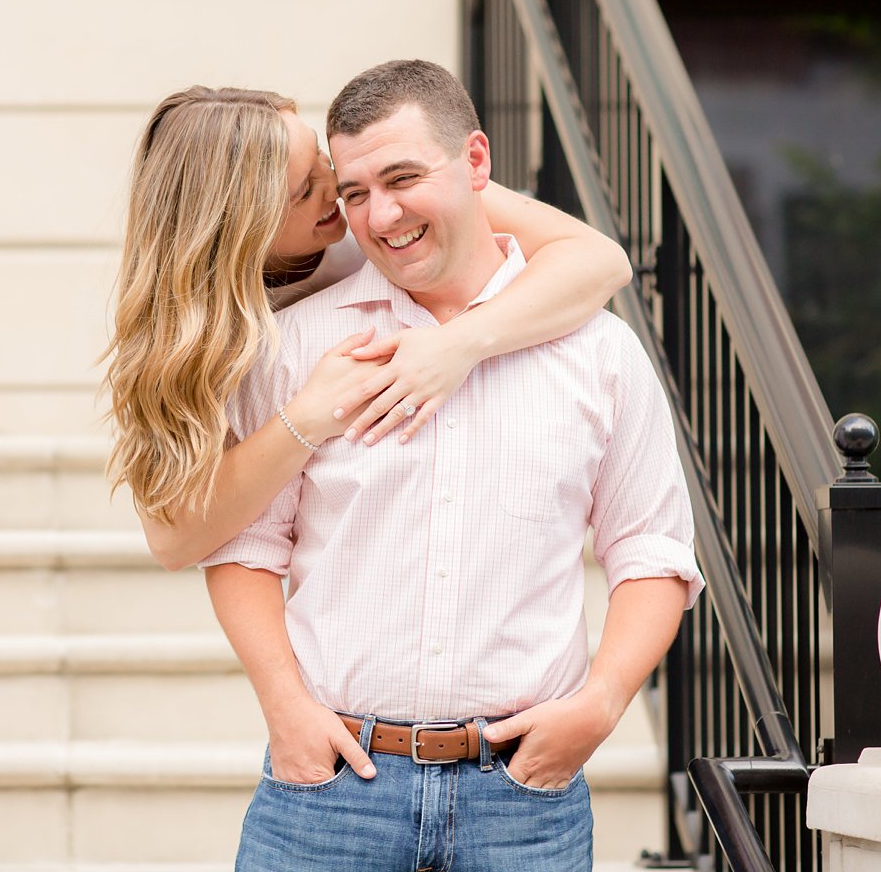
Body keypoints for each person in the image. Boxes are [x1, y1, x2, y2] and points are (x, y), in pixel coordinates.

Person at [197, 60, 705, 872]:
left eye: (403, 178)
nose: (380, 215)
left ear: (476, 163)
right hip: (331, 794)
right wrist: (286, 709)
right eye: (354, 192)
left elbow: (651, 551)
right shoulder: (296, 349)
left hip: (522, 800)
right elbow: (247, 544)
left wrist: (603, 701)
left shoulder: (599, 356)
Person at [107, 85, 632, 571]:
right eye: (303, 190)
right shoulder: (191, 326)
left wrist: (457, 346)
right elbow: (172, 538)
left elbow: (600, 260)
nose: (337, 188)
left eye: (321, 159)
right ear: (241, 228)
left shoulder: (383, 205)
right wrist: (307, 420)